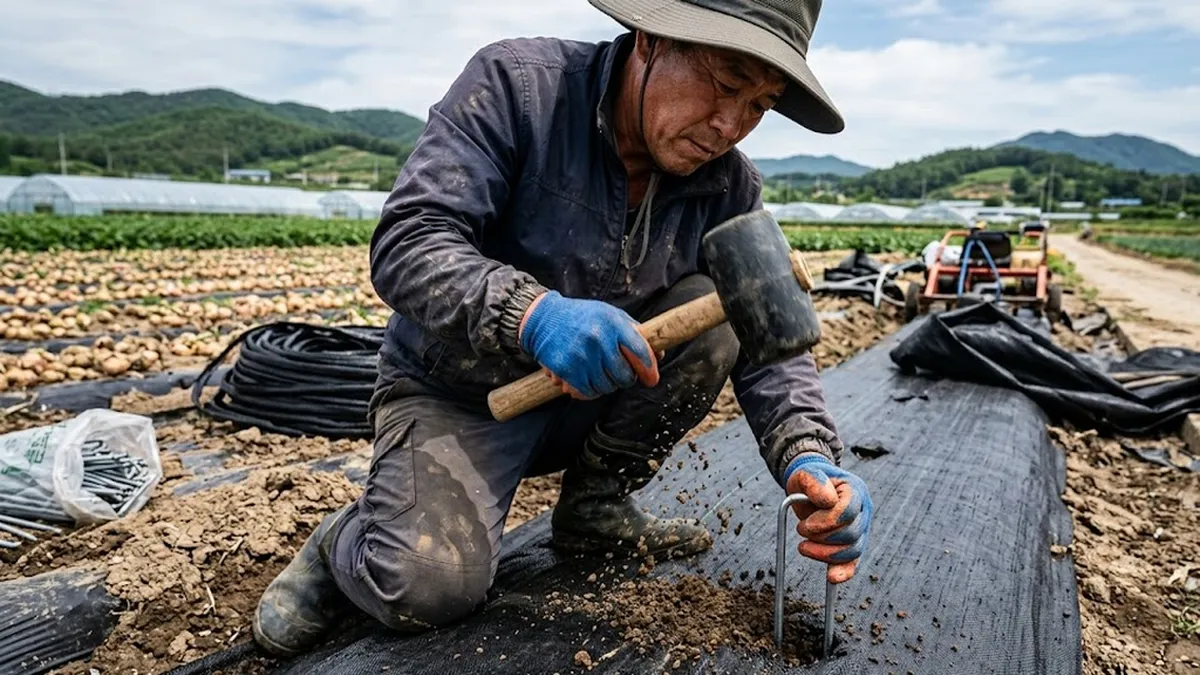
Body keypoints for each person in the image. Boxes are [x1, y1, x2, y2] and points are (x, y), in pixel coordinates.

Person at [253, 0, 873, 656]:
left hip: (595, 401)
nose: (730, 125)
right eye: (724, 83)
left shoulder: (730, 188)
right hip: (465, 397)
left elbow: (772, 343)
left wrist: (810, 456)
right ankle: (345, 543)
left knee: (717, 316)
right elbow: (409, 241)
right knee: (427, 586)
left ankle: (596, 505)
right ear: (651, 39)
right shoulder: (518, 89)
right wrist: (532, 313)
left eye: (760, 104)